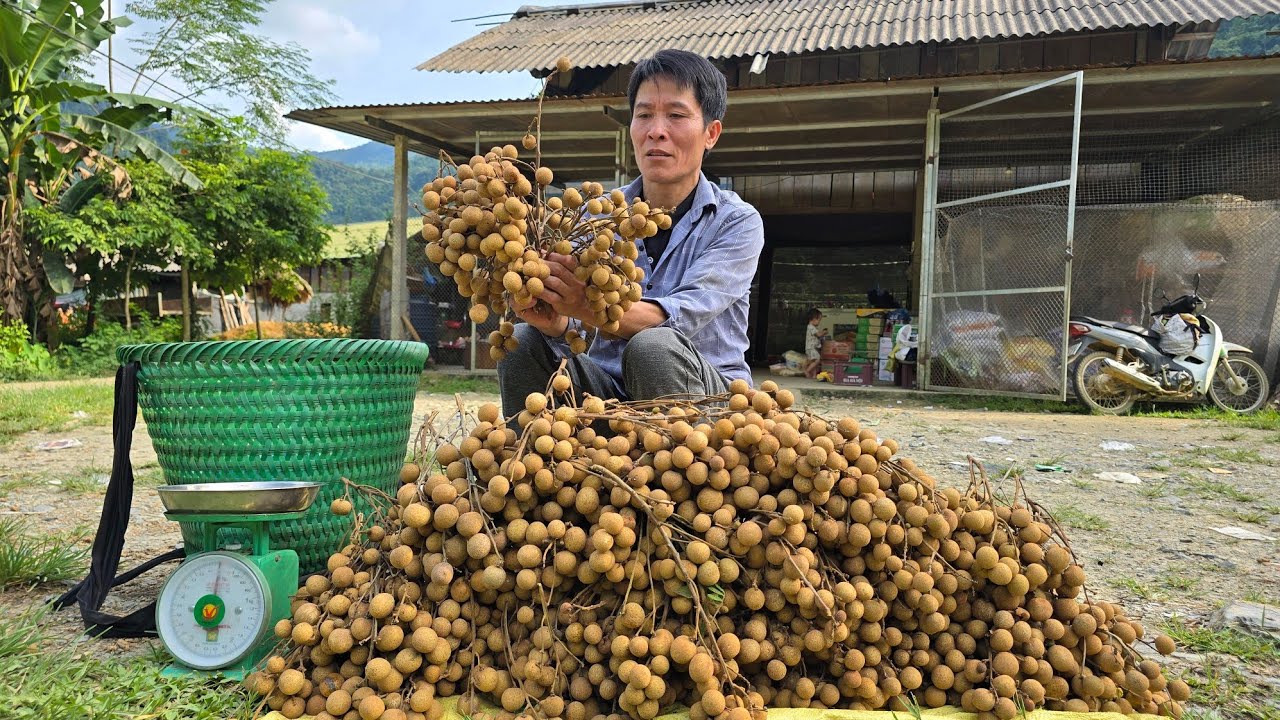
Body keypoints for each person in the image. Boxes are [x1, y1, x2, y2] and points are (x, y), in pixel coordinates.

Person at [497, 49, 764, 418]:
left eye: (676, 115)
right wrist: (555, 318)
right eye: (644, 115)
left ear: (711, 133)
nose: (657, 130)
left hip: (707, 407)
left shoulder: (736, 222)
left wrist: (584, 305)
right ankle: (525, 466)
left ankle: (675, 474)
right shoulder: (595, 218)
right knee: (523, 341)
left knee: (653, 346)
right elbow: (576, 329)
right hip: (608, 401)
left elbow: (676, 320)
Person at [803, 308, 827, 379]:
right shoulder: (811, 327)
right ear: (814, 319)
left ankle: (813, 375)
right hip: (811, 348)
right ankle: (807, 371)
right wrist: (824, 332)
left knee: (813, 361)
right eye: (819, 320)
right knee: (817, 360)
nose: (819, 322)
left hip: (813, 348)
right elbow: (818, 335)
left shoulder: (812, 327)